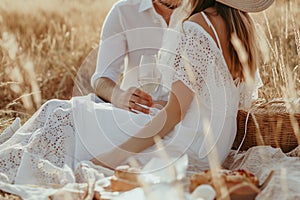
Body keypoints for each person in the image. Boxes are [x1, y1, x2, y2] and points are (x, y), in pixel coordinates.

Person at [0, 0, 273, 192]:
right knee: (67, 115)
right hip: (211, 145)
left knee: (59, 113)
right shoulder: (242, 27)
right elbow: (224, 101)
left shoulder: (197, 26)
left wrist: (111, 158)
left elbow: (174, 115)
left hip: (183, 143)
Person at [91, 0, 188, 114]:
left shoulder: (204, 14)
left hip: (185, 117)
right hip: (133, 114)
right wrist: (119, 96)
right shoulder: (123, 11)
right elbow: (102, 78)